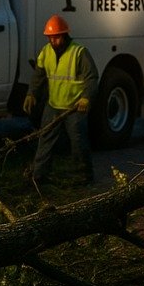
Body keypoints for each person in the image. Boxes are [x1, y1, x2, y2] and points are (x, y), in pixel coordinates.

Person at [23, 15, 98, 184]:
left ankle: (83, 175)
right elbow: (39, 76)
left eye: (56, 37)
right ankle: (39, 175)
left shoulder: (79, 52)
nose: (53, 41)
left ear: (64, 35)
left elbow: (92, 78)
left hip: (74, 106)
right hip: (54, 104)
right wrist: (31, 93)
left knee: (78, 142)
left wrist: (86, 98)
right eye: (50, 37)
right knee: (45, 139)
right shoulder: (46, 52)